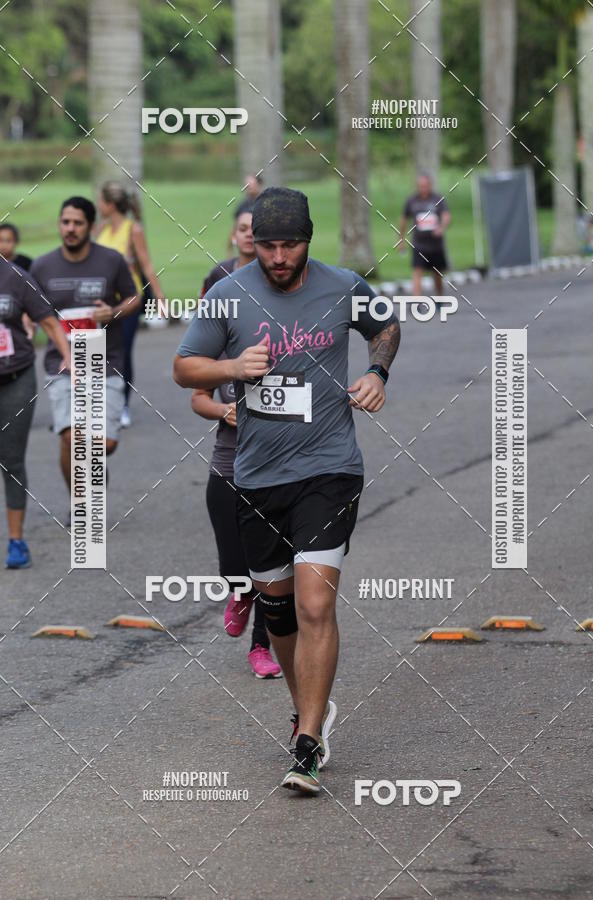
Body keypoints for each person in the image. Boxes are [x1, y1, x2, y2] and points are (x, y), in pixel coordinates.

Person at [174, 187, 400, 795]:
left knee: (315, 604)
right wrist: (231, 369)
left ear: (308, 238)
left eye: (289, 244)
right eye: (268, 245)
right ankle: (311, 713)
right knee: (277, 610)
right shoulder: (226, 295)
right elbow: (184, 367)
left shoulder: (344, 286)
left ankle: (305, 744)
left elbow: (385, 326)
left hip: (329, 470)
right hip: (256, 476)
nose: (278, 256)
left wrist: (377, 371)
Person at [192, 201, 281, 679]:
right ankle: (239, 590)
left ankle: (261, 646)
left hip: (280, 463)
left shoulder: (288, 338)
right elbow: (196, 395)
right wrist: (226, 408)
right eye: (244, 230)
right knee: (236, 565)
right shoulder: (217, 345)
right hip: (229, 460)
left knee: (275, 562)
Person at [30, 197, 139, 513]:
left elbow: (134, 298)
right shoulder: (43, 266)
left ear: (91, 227)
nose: (70, 229)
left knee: (104, 444)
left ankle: (93, 480)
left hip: (106, 362)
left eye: (78, 223)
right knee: (70, 437)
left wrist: (114, 311)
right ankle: (81, 502)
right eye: (65, 222)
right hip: (62, 363)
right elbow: (33, 311)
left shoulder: (112, 260)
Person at [0, 257, 71, 567]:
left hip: (15, 378)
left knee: (11, 459)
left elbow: (48, 321)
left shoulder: (16, 277)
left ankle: (16, 541)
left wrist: (69, 357)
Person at [96, 181, 164, 428]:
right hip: (102, 302)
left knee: (121, 352)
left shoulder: (132, 230)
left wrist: (160, 298)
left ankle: (122, 405)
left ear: (110, 204)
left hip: (128, 300)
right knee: (98, 353)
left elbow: (146, 265)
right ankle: (101, 404)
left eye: (101, 201)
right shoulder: (100, 229)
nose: (99, 205)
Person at [399, 172, 451, 296]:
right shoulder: (411, 201)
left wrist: (441, 227)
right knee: (417, 272)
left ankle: (439, 297)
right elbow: (403, 220)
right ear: (417, 186)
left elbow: (446, 215)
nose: (423, 188)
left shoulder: (437, 199)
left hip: (435, 245)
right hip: (419, 244)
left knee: (437, 274)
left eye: (425, 185)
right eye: (421, 186)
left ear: (430, 185)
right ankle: (417, 303)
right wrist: (401, 239)